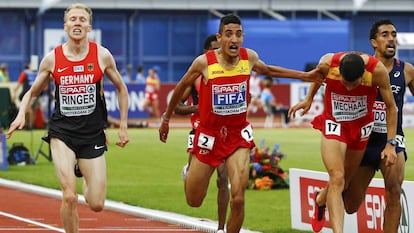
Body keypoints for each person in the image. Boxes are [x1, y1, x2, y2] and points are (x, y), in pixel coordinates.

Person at [159, 14, 323, 233]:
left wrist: (305, 76)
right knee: (194, 200)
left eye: (238, 34)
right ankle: (189, 173)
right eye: (229, 34)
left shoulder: (249, 58)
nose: (234, 39)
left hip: (238, 136)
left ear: (242, 37)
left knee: (238, 198)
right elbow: (180, 87)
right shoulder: (204, 62)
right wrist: (166, 118)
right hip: (209, 136)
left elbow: (270, 71)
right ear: (220, 37)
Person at [6, 3, 129, 233]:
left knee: (96, 204)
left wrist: (122, 125)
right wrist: (21, 113)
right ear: (65, 26)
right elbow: (31, 93)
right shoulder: (52, 59)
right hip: (62, 133)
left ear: (89, 26)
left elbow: (122, 89)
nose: (77, 23)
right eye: (72, 19)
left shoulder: (102, 55)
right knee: (70, 197)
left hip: (92, 134)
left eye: (82, 19)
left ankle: (82, 171)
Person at [288, 52, 398, 233]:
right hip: (334, 123)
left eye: (353, 84)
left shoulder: (377, 71)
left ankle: (320, 200)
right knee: (337, 177)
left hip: (361, 127)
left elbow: (391, 108)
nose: (347, 88)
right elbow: (318, 77)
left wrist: (390, 143)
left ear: (363, 75)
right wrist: (308, 99)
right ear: (339, 71)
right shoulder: (327, 63)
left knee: (345, 181)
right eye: (344, 82)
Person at [338, 19, 414, 233]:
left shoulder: (407, 71)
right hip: (364, 142)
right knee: (351, 205)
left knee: (394, 189)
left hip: (392, 140)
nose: (391, 39)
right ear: (374, 42)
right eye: (385, 35)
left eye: (393, 34)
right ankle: (326, 197)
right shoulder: (362, 68)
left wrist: (391, 143)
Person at [174, 34, 229, 233]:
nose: (218, 52)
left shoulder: (229, 71)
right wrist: (198, 108)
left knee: (223, 179)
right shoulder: (197, 75)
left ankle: (221, 228)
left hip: (224, 133)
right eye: (214, 49)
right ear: (207, 52)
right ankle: (189, 173)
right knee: (193, 198)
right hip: (200, 131)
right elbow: (177, 106)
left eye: (220, 48)